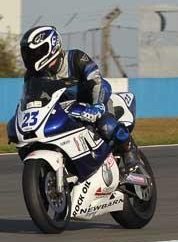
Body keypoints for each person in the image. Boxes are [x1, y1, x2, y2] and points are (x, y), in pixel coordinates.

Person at [17, 25, 145, 172]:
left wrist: (97, 106)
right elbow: (31, 98)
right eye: (28, 54)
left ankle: (130, 153)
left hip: (93, 99)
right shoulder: (32, 75)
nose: (32, 57)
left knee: (105, 125)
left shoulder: (76, 58)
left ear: (52, 46)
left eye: (37, 52)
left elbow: (96, 82)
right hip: (66, 108)